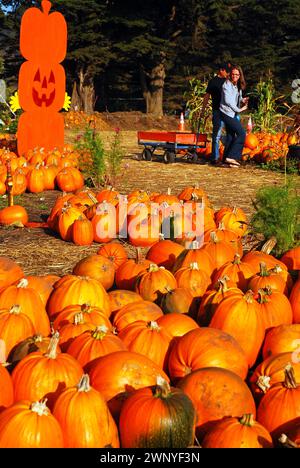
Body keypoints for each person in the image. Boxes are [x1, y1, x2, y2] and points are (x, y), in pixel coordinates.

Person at [200, 62, 231, 165]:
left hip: (228, 111)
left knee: (230, 134)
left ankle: (227, 157)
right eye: (227, 71)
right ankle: (215, 158)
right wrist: (203, 109)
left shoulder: (228, 81)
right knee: (216, 134)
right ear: (221, 70)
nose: (228, 73)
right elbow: (207, 96)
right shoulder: (213, 82)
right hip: (217, 110)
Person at [219, 65, 248, 167]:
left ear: (240, 75)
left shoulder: (236, 85)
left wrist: (243, 100)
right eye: (233, 74)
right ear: (230, 75)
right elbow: (228, 101)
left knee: (230, 137)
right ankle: (232, 157)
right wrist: (240, 109)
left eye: (237, 74)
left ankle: (225, 161)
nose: (235, 76)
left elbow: (236, 98)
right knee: (242, 134)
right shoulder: (226, 85)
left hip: (232, 113)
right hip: (226, 113)